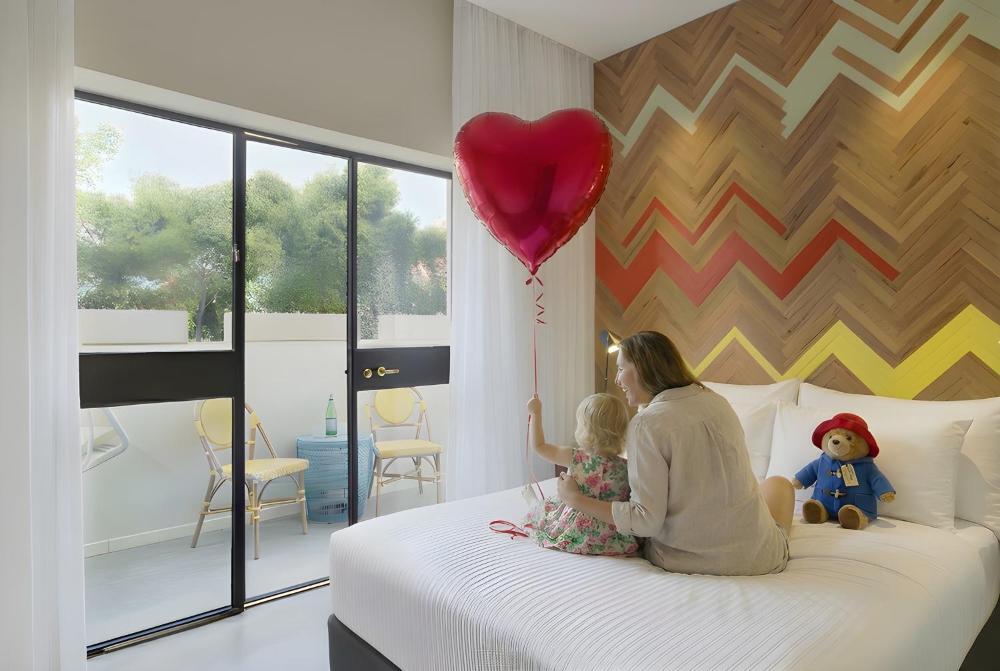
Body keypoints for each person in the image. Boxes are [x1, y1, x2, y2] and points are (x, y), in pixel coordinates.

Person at [557, 331, 794, 575]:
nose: (617, 380)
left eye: (620, 369)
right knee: (780, 484)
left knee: (775, 485)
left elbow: (645, 521)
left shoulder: (646, 424)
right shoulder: (718, 402)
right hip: (759, 559)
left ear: (642, 368)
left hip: (685, 559)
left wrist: (575, 499)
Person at [523, 393, 639, 556]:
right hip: (610, 535)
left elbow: (539, 446)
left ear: (585, 429)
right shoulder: (627, 466)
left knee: (543, 512)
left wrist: (536, 413)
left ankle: (533, 503)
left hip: (576, 528)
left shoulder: (575, 457)